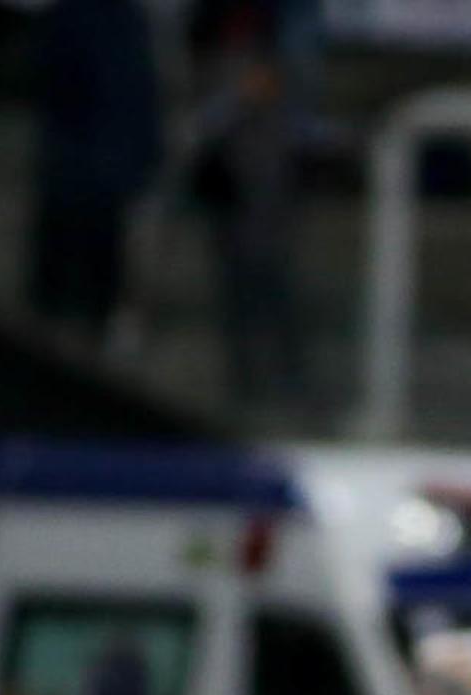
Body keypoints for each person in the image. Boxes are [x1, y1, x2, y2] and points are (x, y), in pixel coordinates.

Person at [188, 0, 310, 409]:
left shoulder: (278, 70)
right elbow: (203, 130)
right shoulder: (218, 68)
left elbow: (286, 143)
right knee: (237, 297)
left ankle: (289, 378)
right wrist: (234, 101)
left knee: (275, 295)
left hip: (268, 208)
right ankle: (245, 380)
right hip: (232, 204)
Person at [28, 0, 163, 342]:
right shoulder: (83, 18)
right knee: (73, 282)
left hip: (95, 170)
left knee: (93, 283)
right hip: (84, 170)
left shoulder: (123, 19)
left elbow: (139, 95)